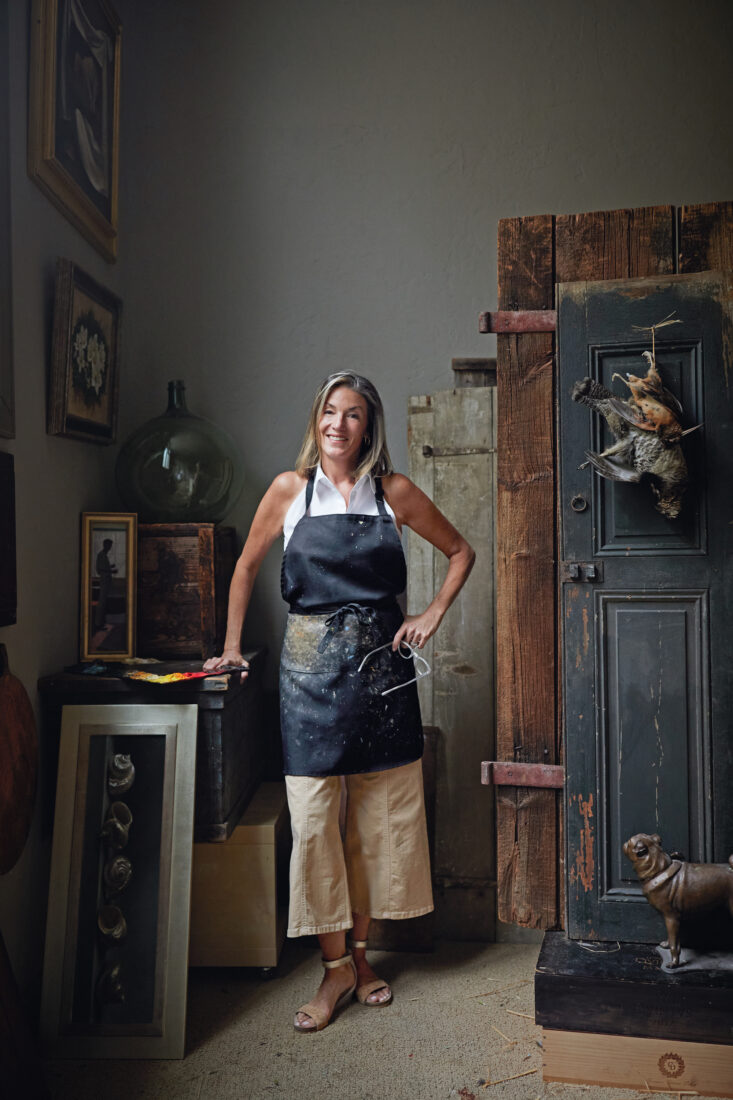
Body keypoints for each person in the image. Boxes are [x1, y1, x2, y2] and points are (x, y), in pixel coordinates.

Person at [204, 373, 474, 1032]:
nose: (338, 424)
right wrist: (233, 647)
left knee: (370, 827)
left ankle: (359, 958)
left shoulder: (395, 493)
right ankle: (332, 972)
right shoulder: (288, 491)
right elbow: (244, 568)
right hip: (308, 682)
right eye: (329, 411)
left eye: (352, 415)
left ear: (367, 426)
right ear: (315, 419)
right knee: (317, 826)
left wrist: (432, 614)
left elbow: (461, 551)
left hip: (383, 682)